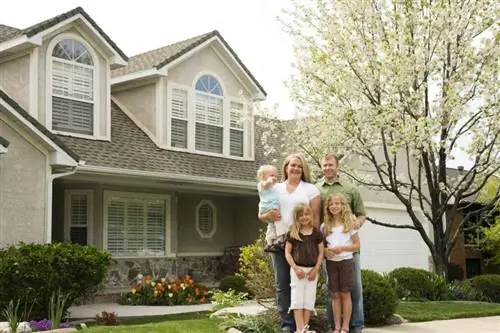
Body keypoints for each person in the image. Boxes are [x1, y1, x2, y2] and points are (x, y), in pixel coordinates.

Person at [259, 153, 321, 333]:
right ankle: (288, 324)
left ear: (303, 170)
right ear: (285, 168)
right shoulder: (275, 188)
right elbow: (261, 213)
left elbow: (315, 220)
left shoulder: (311, 190)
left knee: (303, 284)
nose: (295, 169)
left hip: (303, 243)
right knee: (282, 284)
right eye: (292, 165)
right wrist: (267, 216)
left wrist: (314, 244)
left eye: (299, 166)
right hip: (279, 241)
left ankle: (304, 326)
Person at [315, 154, 366, 333]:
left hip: (349, 251)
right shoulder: (316, 190)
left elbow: (361, 214)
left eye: (331, 165)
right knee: (333, 291)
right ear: (321, 167)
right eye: (325, 165)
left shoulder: (350, 188)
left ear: (337, 166)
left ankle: (356, 326)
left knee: (354, 289)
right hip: (328, 251)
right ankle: (333, 326)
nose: (328, 168)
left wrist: (356, 224)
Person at [322, 194, 361, 333]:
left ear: (342, 205)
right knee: (335, 295)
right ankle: (336, 326)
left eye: (337, 203)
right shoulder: (325, 226)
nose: (334, 206)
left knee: (345, 294)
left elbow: (357, 245)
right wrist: (326, 251)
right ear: (327, 207)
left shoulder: (349, 223)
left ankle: (345, 327)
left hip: (346, 262)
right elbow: (321, 247)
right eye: (331, 204)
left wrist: (342, 248)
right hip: (331, 264)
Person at [284, 203, 324, 333]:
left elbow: (321, 253)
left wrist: (316, 269)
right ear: (296, 217)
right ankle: (299, 329)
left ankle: (305, 328)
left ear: (310, 216)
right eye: (300, 215)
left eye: (306, 214)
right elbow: (287, 253)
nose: (304, 217)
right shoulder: (293, 232)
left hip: (312, 271)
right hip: (298, 271)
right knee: (297, 300)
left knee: (309, 300)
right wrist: (295, 268)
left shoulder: (317, 233)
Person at [256, 164, 281, 252]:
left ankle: (271, 242)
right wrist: (269, 181)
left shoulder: (275, 186)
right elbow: (265, 185)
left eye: (275, 176)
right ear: (263, 176)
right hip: (267, 207)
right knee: (274, 224)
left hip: (272, 207)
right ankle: (271, 241)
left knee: (273, 225)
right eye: (271, 175)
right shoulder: (262, 184)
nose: (274, 177)